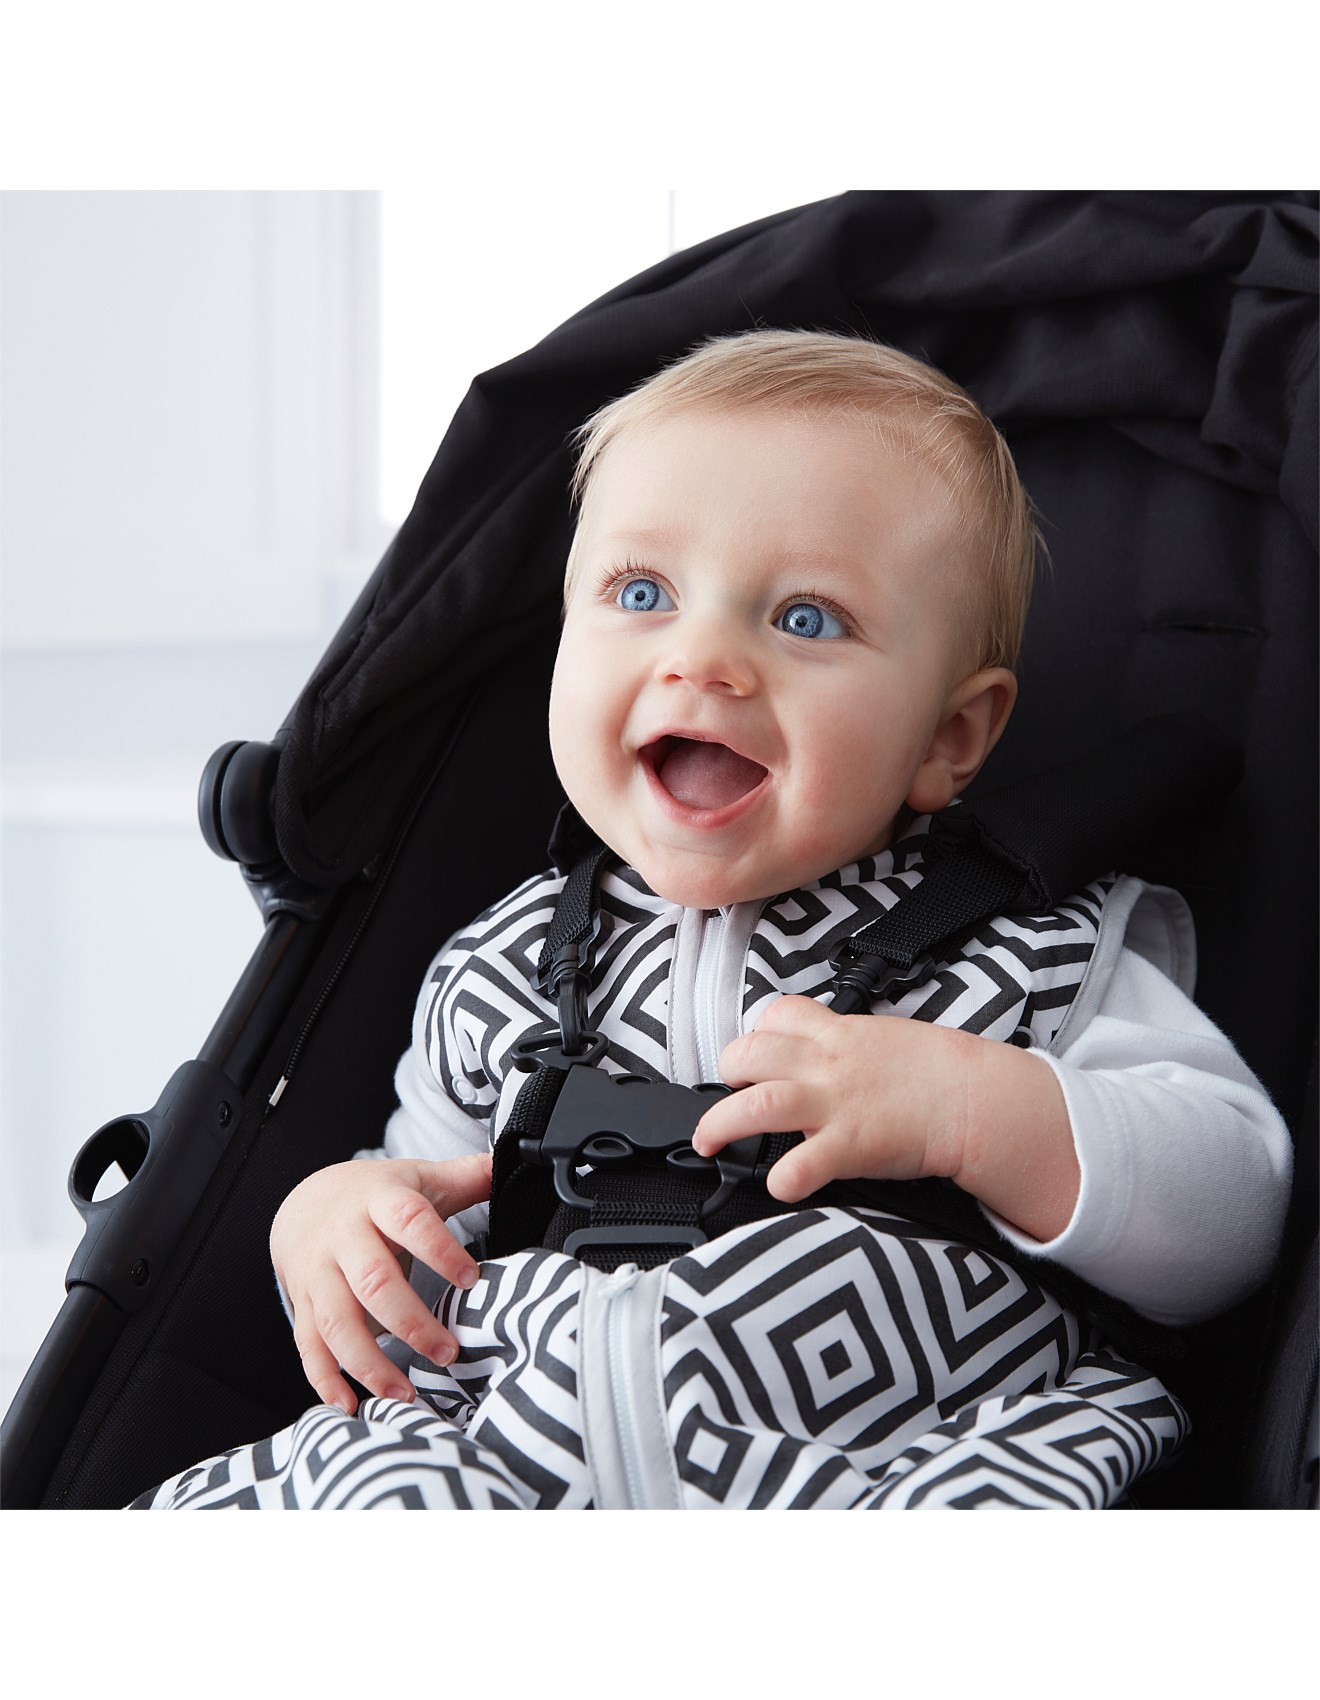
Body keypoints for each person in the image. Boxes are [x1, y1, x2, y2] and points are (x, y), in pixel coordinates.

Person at [135, 330, 1291, 1509]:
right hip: (512, 1459)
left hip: (894, 1463)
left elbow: (1233, 1219)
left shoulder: (1033, 956)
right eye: (642, 594)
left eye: (806, 618)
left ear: (949, 737)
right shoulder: (499, 968)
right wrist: (332, 1219)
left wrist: (971, 1108)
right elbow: (423, 1202)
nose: (704, 657)